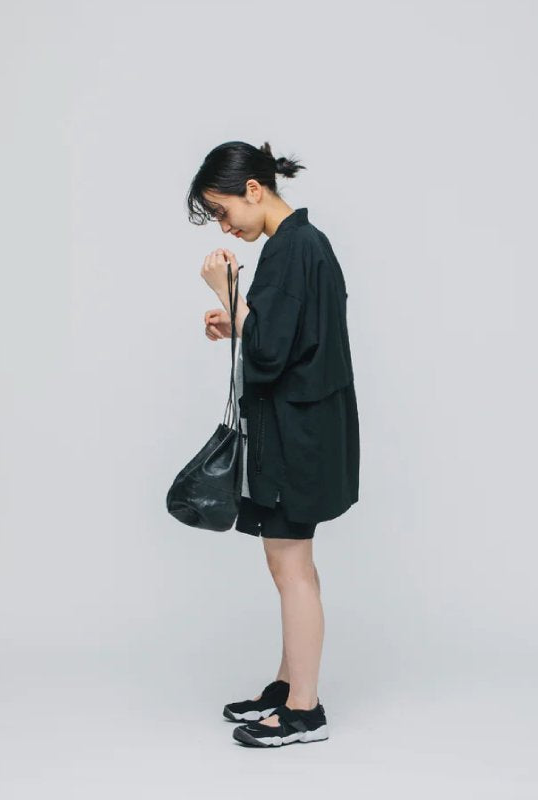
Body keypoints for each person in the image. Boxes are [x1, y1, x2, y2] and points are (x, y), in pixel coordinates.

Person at [187, 140, 360, 747]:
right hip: (302, 431)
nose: (224, 225)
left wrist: (228, 294)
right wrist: (237, 321)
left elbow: (268, 352)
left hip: (297, 436)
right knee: (291, 564)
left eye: (223, 210)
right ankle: (290, 687)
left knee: (291, 570)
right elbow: (284, 342)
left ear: (254, 190)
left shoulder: (292, 249)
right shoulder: (302, 244)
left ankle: (304, 711)